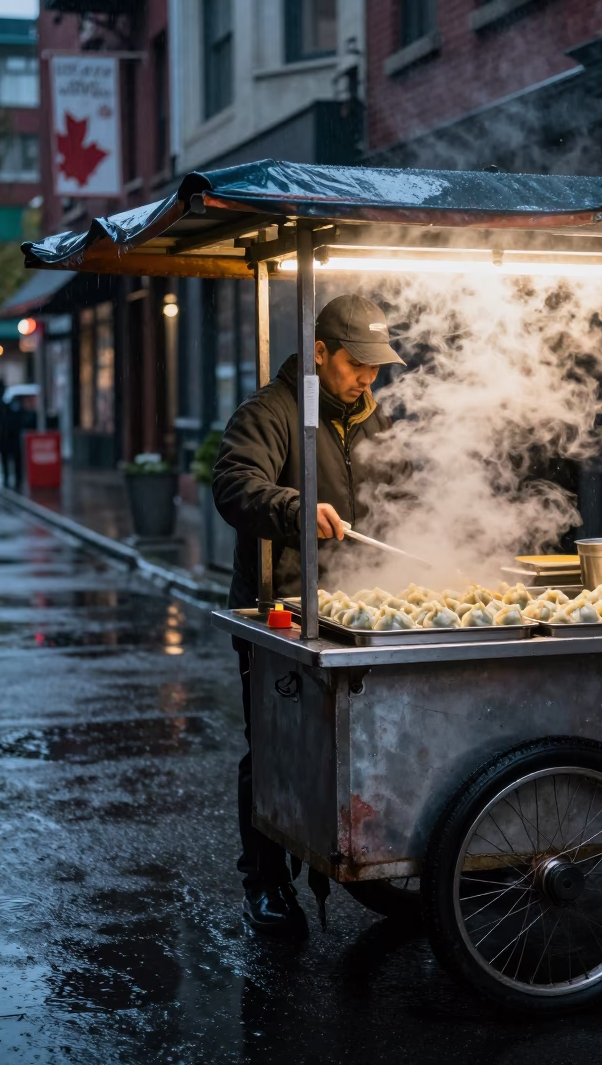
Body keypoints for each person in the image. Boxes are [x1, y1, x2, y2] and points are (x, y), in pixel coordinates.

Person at [213, 293, 404, 938]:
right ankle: (265, 882)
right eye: (357, 365)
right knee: (276, 746)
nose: (367, 378)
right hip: (286, 609)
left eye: (376, 368)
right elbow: (235, 484)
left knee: (365, 740)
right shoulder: (271, 412)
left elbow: (400, 494)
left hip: (359, 608)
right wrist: (295, 507)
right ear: (320, 353)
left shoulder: (370, 419)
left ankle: (364, 853)